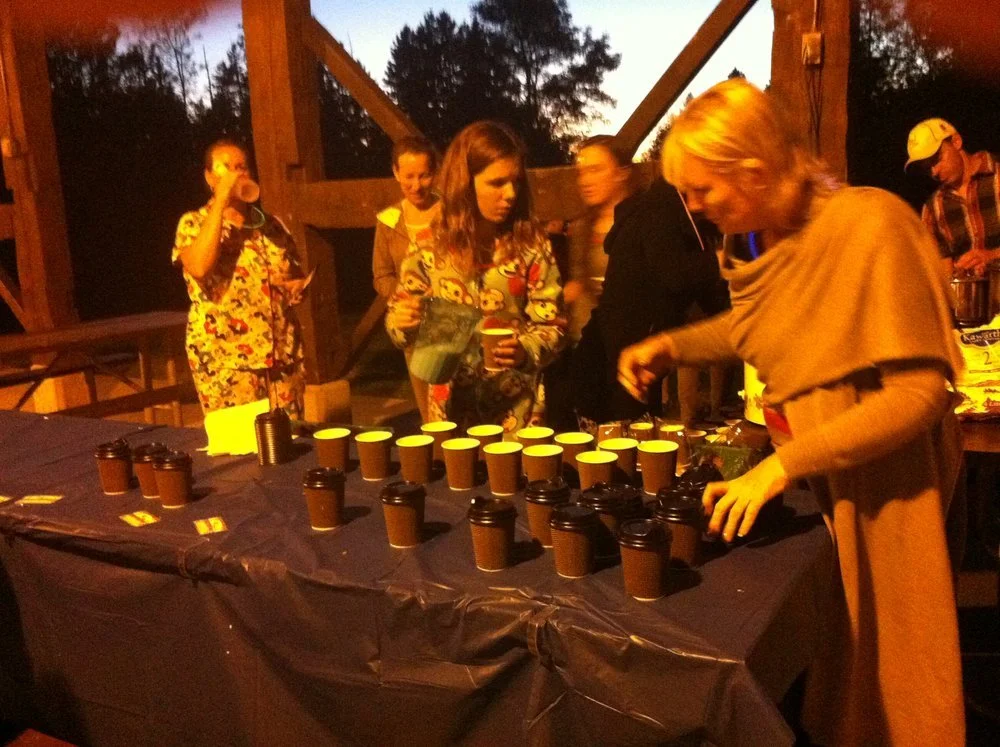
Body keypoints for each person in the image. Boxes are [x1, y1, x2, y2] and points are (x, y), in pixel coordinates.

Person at [618, 79, 965, 746]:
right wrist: (671, 347)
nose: (692, 206)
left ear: (752, 171)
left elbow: (920, 395)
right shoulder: (775, 243)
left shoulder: (869, 224)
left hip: (889, 495)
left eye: (702, 190)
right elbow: (757, 327)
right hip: (832, 485)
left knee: (898, 685)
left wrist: (780, 468)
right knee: (843, 677)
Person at [385, 121, 564, 433]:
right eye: (497, 183)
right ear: (465, 183)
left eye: (516, 182)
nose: (510, 194)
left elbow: (553, 325)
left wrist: (525, 349)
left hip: (518, 415)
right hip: (451, 415)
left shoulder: (531, 244)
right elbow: (398, 322)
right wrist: (402, 323)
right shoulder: (430, 244)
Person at [572, 142, 727, 428]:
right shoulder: (660, 206)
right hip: (624, 348)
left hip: (634, 346)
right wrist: (721, 260)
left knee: (631, 422)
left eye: (595, 169)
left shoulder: (655, 208)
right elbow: (673, 272)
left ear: (622, 173)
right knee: (626, 429)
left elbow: (697, 286)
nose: (696, 202)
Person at [173, 139, 309, 417]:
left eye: (242, 167)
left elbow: (290, 273)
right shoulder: (193, 223)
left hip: (282, 358)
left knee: (290, 444)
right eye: (227, 168)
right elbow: (198, 267)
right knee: (240, 451)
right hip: (227, 363)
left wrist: (295, 287)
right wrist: (221, 202)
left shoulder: (271, 225)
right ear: (210, 177)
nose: (237, 174)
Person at [372, 136, 441, 422]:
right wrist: (402, 296)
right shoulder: (388, 221)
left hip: (452, 320)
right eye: (409, 176)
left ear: (434, 172)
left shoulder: (451, 214)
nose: (416, 185)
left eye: (424, 175)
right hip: (412, 326)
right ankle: (440, 462)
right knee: (428, 409)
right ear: (396, 173)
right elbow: (381, 275)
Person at [905, 117, 1000, 276]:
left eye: (936, 160)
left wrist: (993, 256)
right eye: (927, 168)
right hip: (969, 298)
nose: (934, 172)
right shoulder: (934, 208)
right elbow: (941, 272)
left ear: (956, 142)